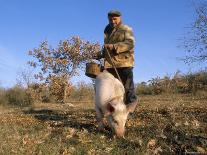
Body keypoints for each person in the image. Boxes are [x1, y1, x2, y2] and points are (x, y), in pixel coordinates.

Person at [96, 10, 138, 112]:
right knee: (111, 90)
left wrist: (114, 46)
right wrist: (100, 54)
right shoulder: (107, 31)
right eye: (110, 19)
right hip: (110, 65)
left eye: (115, 19)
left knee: (128, 88)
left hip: (124, 63)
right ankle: (114, 112)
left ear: (120, 18)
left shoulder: (126, 29)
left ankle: (130, 110)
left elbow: (130, 43)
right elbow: (107, 48)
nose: (112, 21)